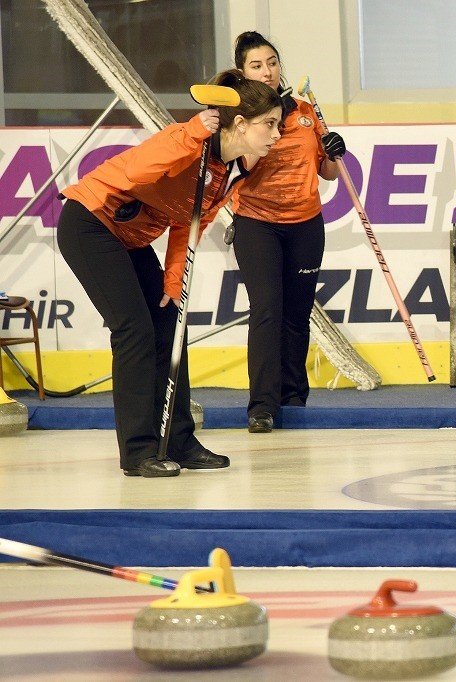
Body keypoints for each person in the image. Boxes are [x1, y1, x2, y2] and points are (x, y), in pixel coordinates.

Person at [58, 70, 283, 477]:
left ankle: (179, 439)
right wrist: (192, 132)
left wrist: (173, 276)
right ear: (239, 123)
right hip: (90, 221)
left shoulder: (230, 171)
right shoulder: (187, 140)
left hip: (130, 239)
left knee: (168, 326)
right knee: (134, 331)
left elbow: (188, 223)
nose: (276, 134)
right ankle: (138, 451)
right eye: (269, 124)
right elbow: (135, 170)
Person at [229, 31, 347, 434]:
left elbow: (327, 172)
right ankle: (262, 406)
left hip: (305, 224)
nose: (267, 71)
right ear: (243, 73)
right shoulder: (239, 116)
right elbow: (242, 166)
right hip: (257, 223)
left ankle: (294, 400)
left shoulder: (303, 111)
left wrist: (334, 148)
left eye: (272, 62)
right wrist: (260, 123)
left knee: (297, 315)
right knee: (267, 310)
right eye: (256, 65)